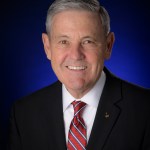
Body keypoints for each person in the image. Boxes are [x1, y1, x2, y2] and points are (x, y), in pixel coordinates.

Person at [8, 0, 150, 150]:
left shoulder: (145, 110)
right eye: (64, 41)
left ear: (108, 45)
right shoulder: (23, 114)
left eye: (88, 41)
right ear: (47, 46)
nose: (76, 55)